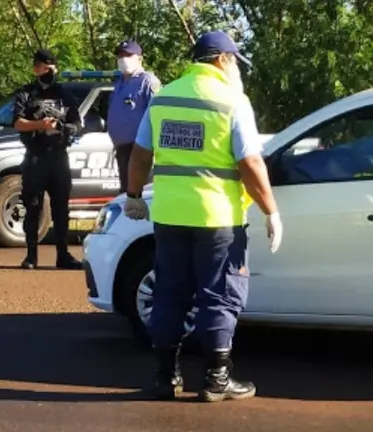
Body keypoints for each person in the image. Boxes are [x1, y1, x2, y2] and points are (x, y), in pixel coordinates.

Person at [124, 30, 282, 402]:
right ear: (223, 60)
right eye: (236, 63)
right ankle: (216, 380)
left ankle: (166, 377)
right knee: (219, 296)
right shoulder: (231, 101)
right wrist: (270, 210)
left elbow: (140, 155)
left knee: (169, 295)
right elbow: (250, 161)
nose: (237, 71)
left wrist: (133, 196)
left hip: (169, 216)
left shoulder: (164, 99)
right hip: (218, 219)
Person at [12, 49, 83, 270]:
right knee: (33, 207)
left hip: (59, 158)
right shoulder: (27, 94)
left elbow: (78, 123)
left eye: (51, 67)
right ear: (36, 69)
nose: (48, 71)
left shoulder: (65, 94)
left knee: (61, 208)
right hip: (36, 158)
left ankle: (63, 254)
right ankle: (31, 255)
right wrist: (40, 125)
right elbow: (17, 123)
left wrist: (64, 127)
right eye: (44, 67)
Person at [107, 39, 161, 194]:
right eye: (121, 55)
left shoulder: (147, 81)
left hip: (140, 149)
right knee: (127, 193)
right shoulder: (119, 83)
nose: (124, 59)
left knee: (141, 193)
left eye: (129, 55)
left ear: (140, 58)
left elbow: (157, 114)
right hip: (123, 149)